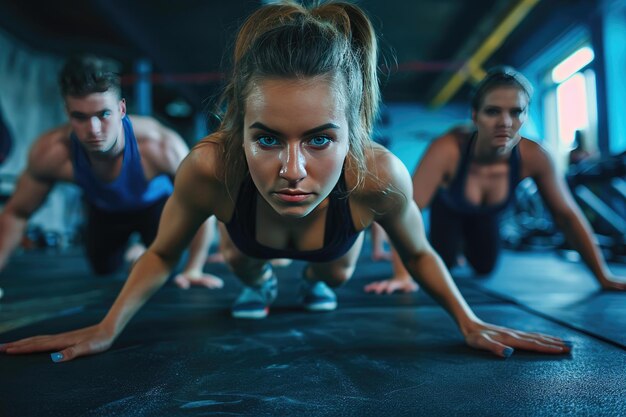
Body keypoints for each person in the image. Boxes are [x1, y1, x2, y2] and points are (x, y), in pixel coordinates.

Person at [0, 2, 571, 362]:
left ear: (353, 133)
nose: (292, 171)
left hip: (332, 250)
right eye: (267, 138)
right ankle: (261, 283)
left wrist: (468, 322)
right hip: (250, 245)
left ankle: (316, 283)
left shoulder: (379, 176)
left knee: (334, 271)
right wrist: (107, 328)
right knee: (244, 260)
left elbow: (419, 254)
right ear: (239, 127)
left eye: (320, 139)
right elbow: (162, 252)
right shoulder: (208, 168)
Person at [364, 67, 626, 295]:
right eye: (493, 112)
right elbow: (404, 213)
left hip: (487, 217)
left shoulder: (534, 156)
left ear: (525, 115)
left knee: (484, 267)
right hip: (449, 211)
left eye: (516, 112)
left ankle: (464, 249)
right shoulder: (447, 149)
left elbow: (567, 216)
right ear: (475, 115)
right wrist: (402, 275)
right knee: (444, 264)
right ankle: (453, 250)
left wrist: (603, 276)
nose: (505, 122)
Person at [0, 55, 222, 289]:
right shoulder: (53, 152)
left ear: (121, 109)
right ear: (68, 113)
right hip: (105, 210)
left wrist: (194, 268)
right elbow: (17, 213)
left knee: (169, 266)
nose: (93, 130)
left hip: (156, 207)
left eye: (103, 114)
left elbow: (202, 205)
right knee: (103, 268)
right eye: (80, 117)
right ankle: (132, 252)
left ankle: (145, 250)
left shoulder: (159, 146)